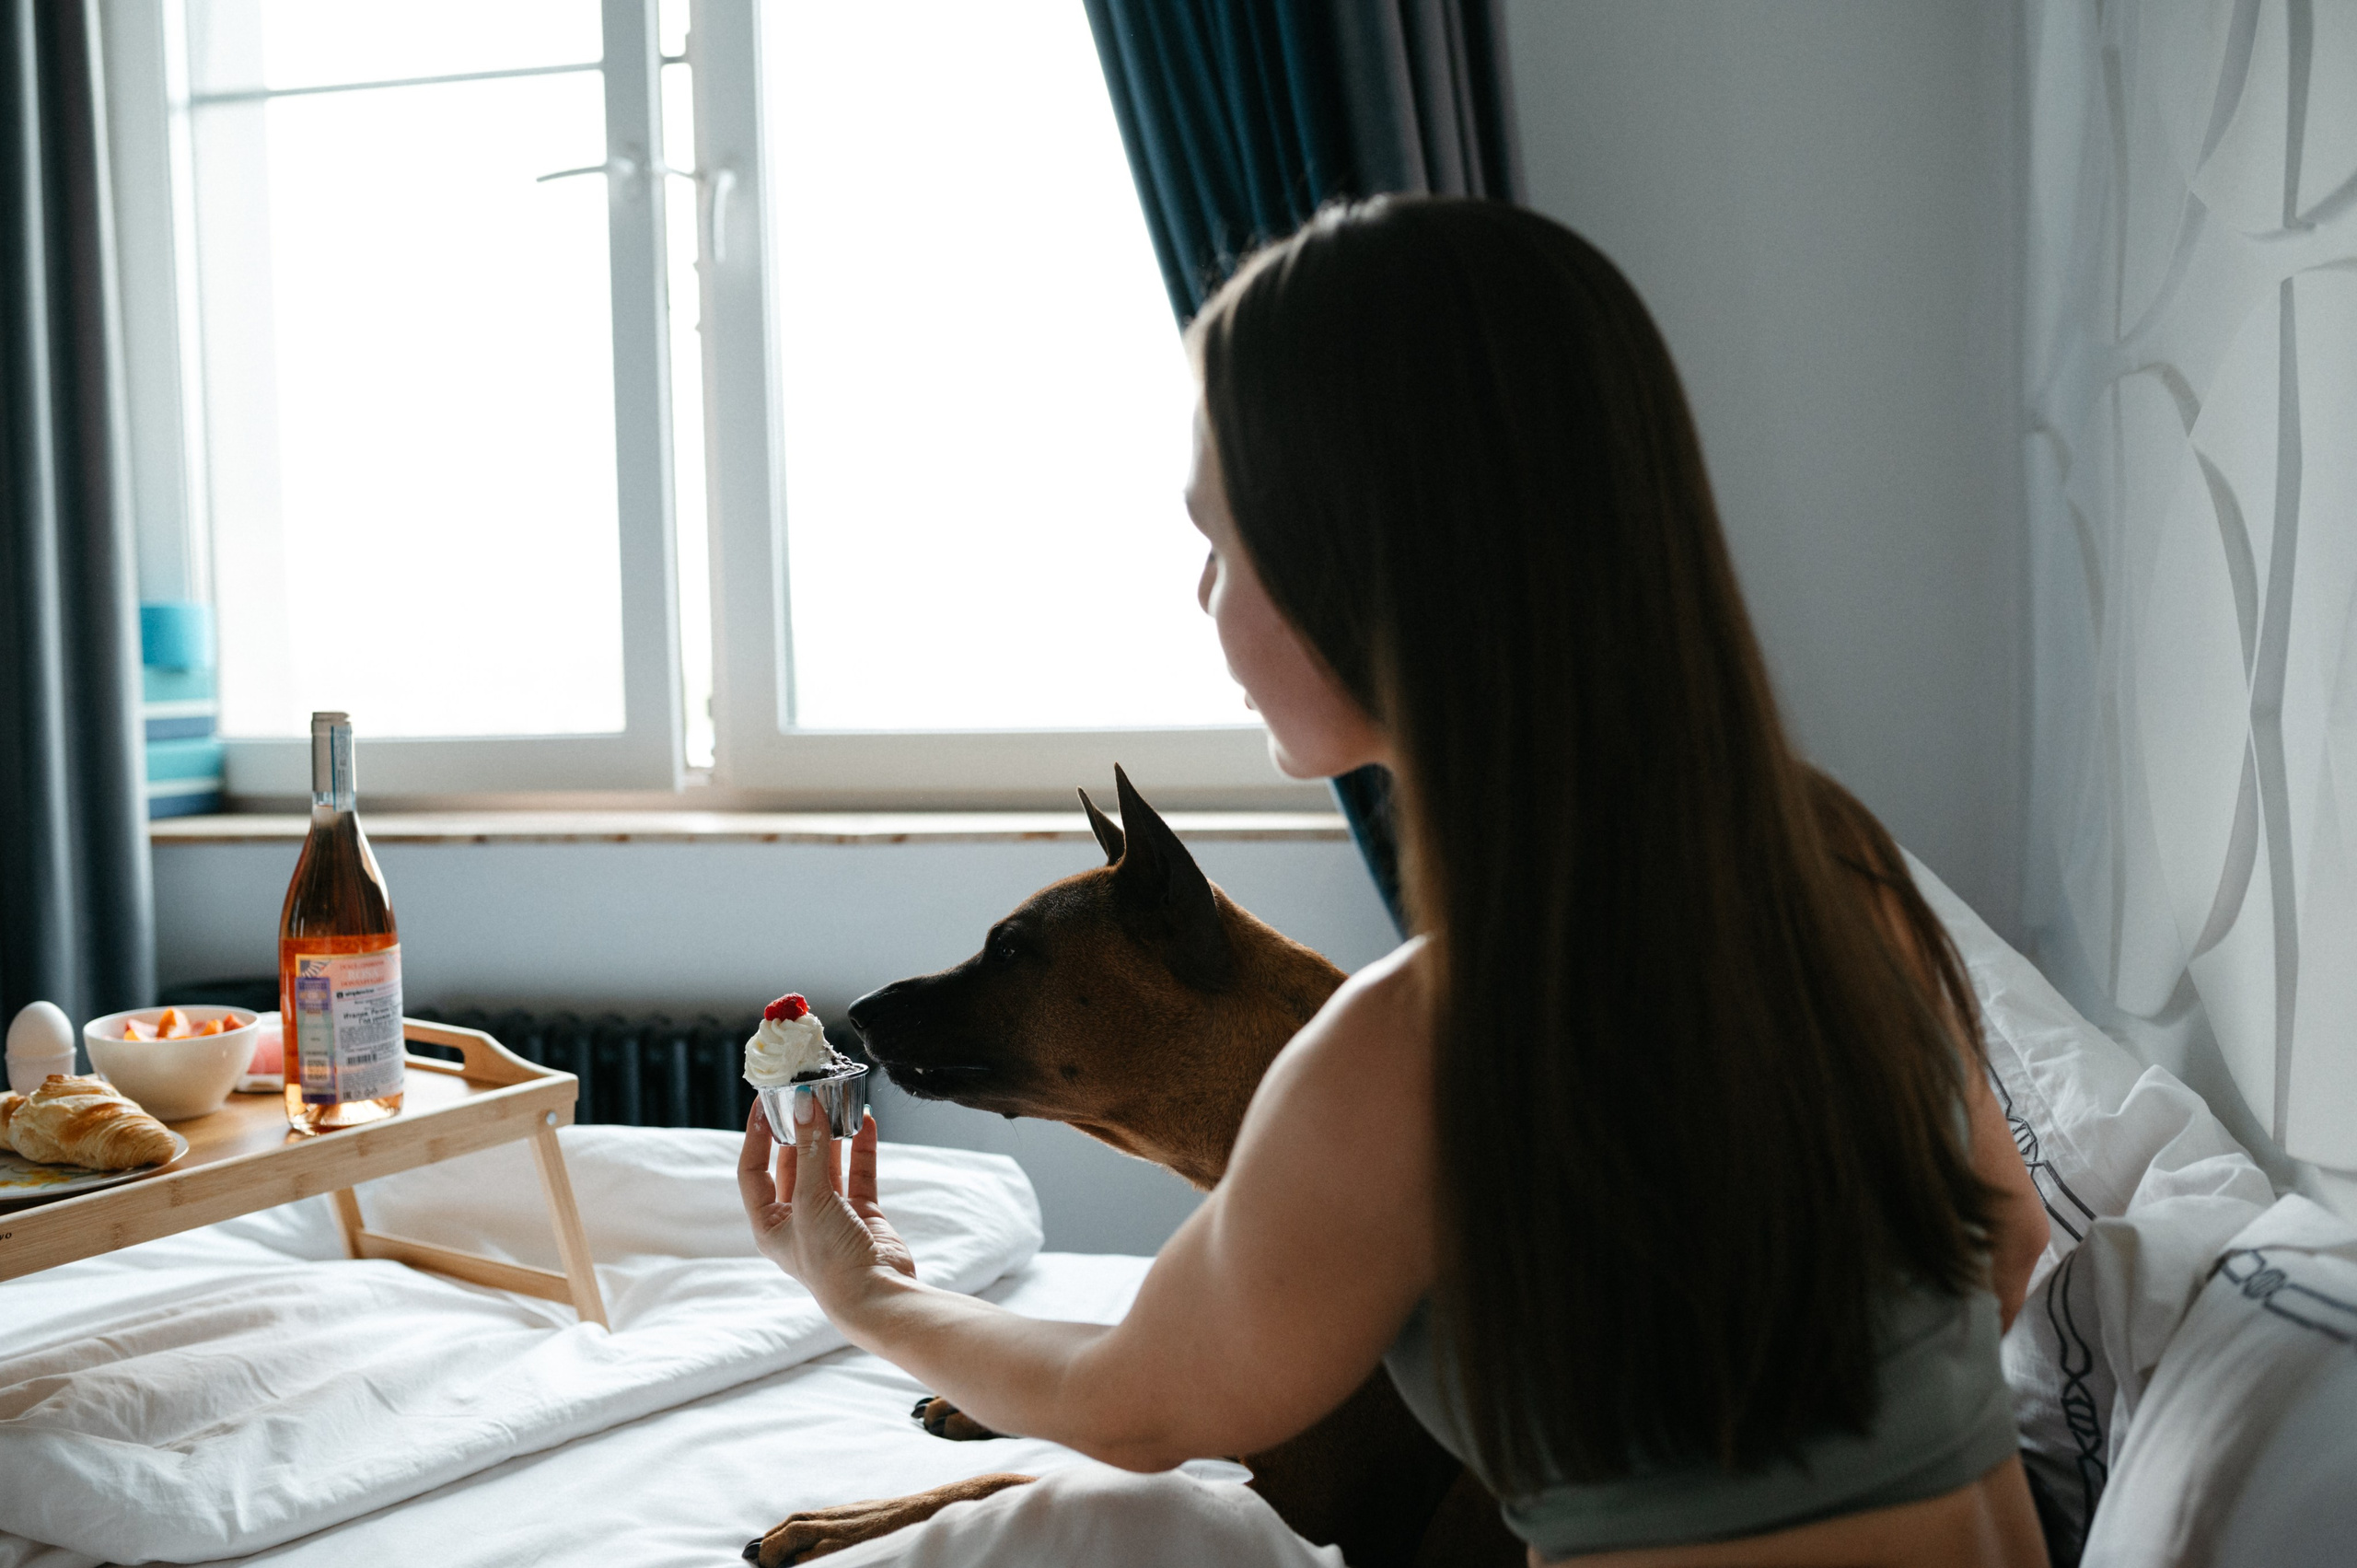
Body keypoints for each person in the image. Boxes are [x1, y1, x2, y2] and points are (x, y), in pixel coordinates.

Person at [739, 197, 2052, 1566]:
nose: (1203, 595)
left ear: (1370, 559)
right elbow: (2006, 1253)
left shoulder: (1412, 1053)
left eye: (1224, 539)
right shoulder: (1837, 868)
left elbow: (1124, 1403)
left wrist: (860, 1285)